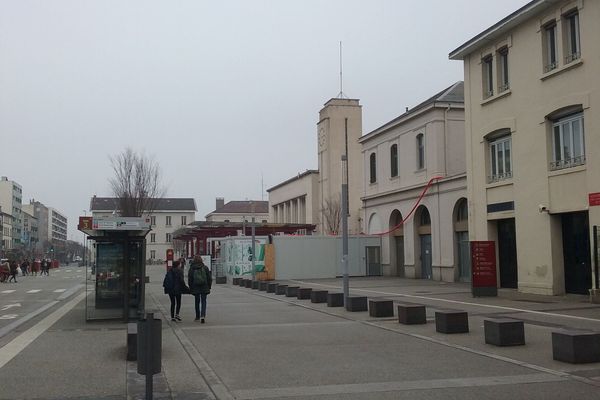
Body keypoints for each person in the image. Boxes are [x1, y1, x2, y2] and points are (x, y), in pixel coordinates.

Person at [188, 255, 212, 323]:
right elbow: (209, 278)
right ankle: (203, 315)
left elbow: (190, 279)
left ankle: (197, 316)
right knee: (204, 301)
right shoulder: (205, 267)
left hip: (195, 287)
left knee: (197, 301)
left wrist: (191, 287)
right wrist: (209, 286)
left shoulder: (192, 268)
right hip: (204, 286)